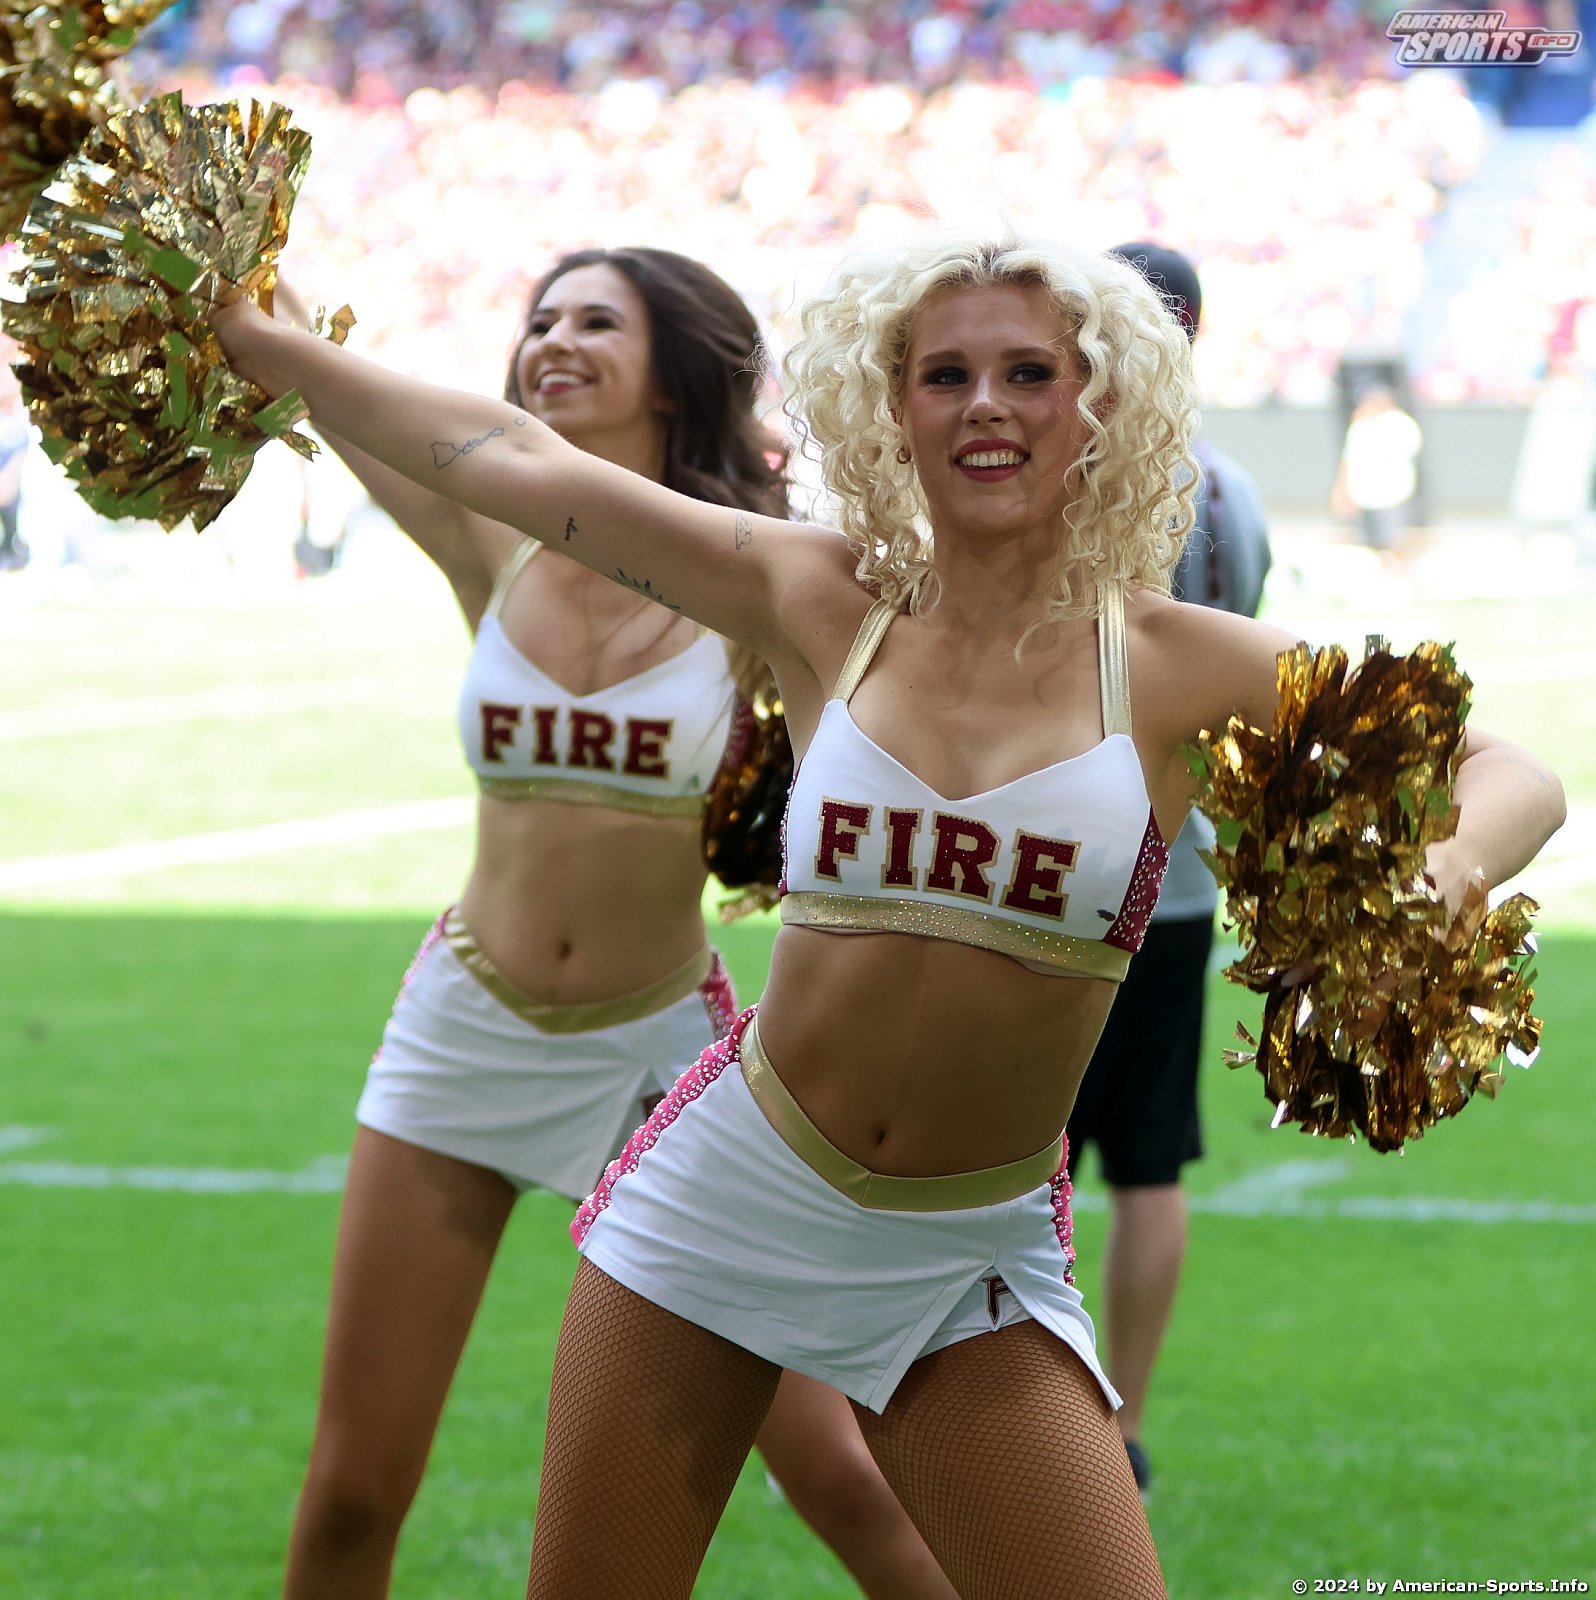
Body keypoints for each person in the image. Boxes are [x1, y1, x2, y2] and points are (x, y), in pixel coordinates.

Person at [214, 232, 1564, 1600]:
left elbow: (1513, 770)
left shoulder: (1171, 661)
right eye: (945, 375)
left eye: (1030, 372)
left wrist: (1448, 871)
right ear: (891, 409)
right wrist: (267, 345)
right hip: (726, 1197)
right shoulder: (819, 597)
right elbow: (515, 461)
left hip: (964, 1252)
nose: (986, 405)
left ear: (1103, 403)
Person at [268, 247, 955, 1600]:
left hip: (660, 1061)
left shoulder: (752, 574)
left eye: (597, 321)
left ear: (674, 374)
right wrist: (245, 280)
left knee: (837, 1476)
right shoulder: (488, 531)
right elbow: (336, 389)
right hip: (465, 1028)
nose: (554, 339)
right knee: (351, 1492)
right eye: (540, 319)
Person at [1064, 241, 1273, 1498]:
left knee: (1003, 1160)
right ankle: (1122, 1429)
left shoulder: (1067, 473)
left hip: (1050, 872)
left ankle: (975, 1407)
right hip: (1180, 880)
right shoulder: (1234, 490)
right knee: (1151, 1165)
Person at [1331, 384, 1422, 553]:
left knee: (1394, 542)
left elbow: (1400, 452)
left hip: (1393, 495)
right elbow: (1348, 460)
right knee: (1367, 543)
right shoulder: (1360, 425)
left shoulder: (1400, 423)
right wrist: (1342, 491)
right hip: (1363, 495)